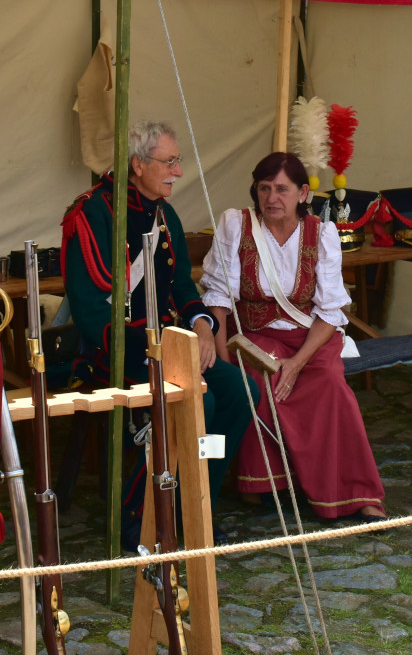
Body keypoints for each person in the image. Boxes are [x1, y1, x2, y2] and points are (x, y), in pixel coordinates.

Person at [61, 121, 257, 548]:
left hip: (169, 344)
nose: (178, 172)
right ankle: (140, 516)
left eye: (177, 161)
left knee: (242, 392)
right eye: (169, 162)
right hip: (114, 350)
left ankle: (197, 503)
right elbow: (93, 315)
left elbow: (182, 286)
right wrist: (161, 351)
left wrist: (202, 327)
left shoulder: (164, 215)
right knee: (198, 400)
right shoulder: (91, 214)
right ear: (138, 165)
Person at [200, 151, 385, 521]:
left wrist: (297, 363)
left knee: (330, 385)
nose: (272, 198)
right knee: (258, 379)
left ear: (303, 193)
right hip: (253, 334)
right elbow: (218, 300)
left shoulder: (323, 233)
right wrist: (224, 362)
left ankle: (354, 492)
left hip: (310, 338)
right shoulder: (236, 224)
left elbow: (330, 311)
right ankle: (265, 484)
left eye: (282, 189)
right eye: (264, 188)